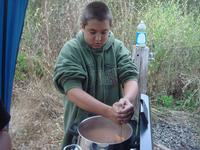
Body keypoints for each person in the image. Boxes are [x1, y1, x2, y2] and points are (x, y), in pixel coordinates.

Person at [53, 1, 139, 149]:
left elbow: (130, 76)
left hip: (114, 129)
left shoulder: (117, 48)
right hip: (79, 129)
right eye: (93, 32)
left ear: (110, 29)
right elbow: (73, 91)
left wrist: (127, 99)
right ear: (82, 27)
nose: (98, 38)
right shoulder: (71, 50)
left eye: (104, 32)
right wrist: (107, 111)